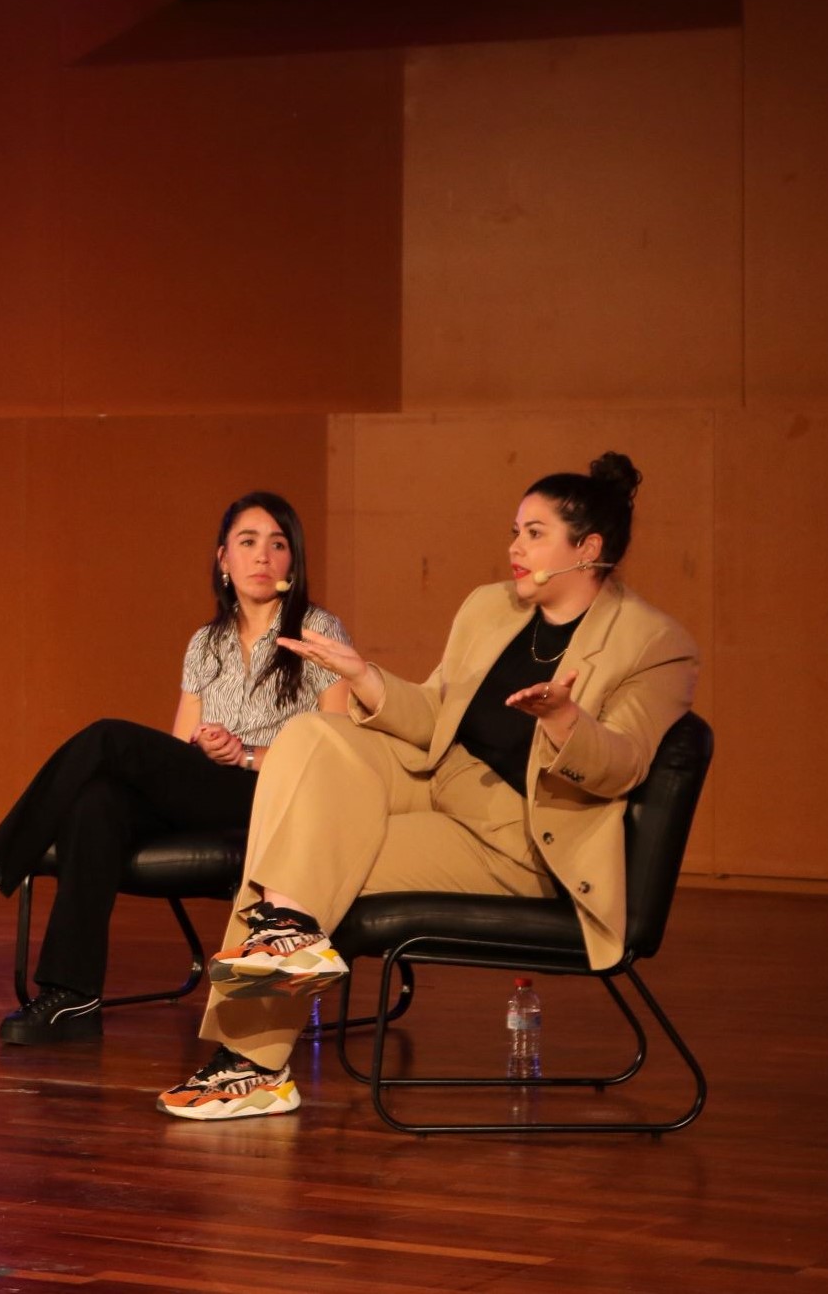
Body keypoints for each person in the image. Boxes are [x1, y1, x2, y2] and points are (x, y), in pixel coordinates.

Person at [160, 452, 699, 1121]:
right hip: (435, 779)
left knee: (298, 859)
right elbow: (434, 717)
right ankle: (287, 944)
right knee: (307, 737)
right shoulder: (488, 608)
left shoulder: (652, 642)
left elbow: (621, 764)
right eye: (514, 530)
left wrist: (563, 719)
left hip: (518, 836)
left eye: (533, 533)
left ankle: (253, 1064)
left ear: (586, 547)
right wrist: (361, 676)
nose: (513, 547)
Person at [0, 492, 351, 1044]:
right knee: (98, 801)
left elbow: (338, 752)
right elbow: (178, 745)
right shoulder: (204, 643)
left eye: (277, 545)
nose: (263, 556)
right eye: (248, 543)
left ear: (291, 562)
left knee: (108, 739)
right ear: (223, 560)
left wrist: (248, 755)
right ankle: (73, 996)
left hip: (276, 794)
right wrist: (205, 744)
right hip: (210, 786)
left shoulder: (316, 632)